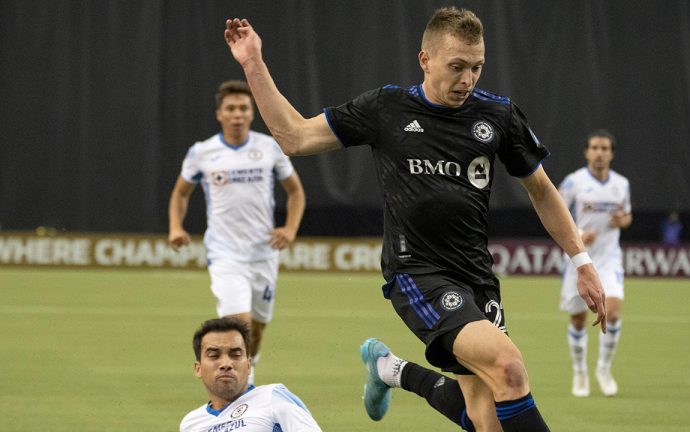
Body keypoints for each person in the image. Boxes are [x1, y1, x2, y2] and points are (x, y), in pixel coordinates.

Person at [224, 7, 606, 431]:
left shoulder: (497, 115)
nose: (467, 80)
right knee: (509, 366)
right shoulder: (387, 108)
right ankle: (396, 371)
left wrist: (582, 262)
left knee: (486, 420)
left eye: (477, 68)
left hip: (477, 278)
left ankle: (393, 371)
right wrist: (253, 63)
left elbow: (542, 190)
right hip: (417, 273)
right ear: (425, 60)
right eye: (456, 67)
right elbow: (294, 137)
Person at [168, 80, 306, 383]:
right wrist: (176, 226)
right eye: (230, 109)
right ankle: (245, 392)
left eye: (243, 108)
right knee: (238, 324)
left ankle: (250, 365)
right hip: (225, 253)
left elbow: (295, 192)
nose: (237, 114)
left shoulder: (269, 147)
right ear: (219, 114)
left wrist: (291, 228)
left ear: (251, 113)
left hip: (263, 253)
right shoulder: (202, 152)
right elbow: (180, 193)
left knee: (257, 327)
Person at [557, 129, 632, 397]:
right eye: (595, 148)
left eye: (604, 149)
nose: (599, 153)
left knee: (612, 313)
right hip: (579, 260)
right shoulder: (573, 183)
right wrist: (577, 235)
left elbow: (626, 216)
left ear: (611, 154)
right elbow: (555, 215)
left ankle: (603, 368)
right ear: (587, 152)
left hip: (609, 258)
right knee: (578, 319)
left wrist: (622, 221)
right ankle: (579, 371)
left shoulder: (621, 184)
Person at [180, 317, 322, 431]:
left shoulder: (272, 398)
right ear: (198, 368)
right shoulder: (191, 423)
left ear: (248, 366)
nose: (226, 364)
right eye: (214, 355)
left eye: (235, 354)